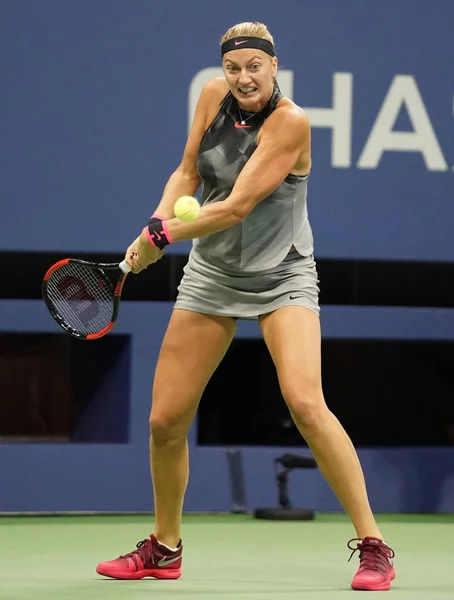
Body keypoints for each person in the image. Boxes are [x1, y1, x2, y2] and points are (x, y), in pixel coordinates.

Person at [96, 21, 396, 591]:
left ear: (274, 66)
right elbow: (188, 171)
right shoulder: (213, 97)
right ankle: (164, 547)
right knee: (164, 421)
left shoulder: (292, 124)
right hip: (212, 273)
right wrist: (156, 222)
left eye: (254, 66)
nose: (243, 78)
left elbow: (235, 207)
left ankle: (375, 546)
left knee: (306, 401)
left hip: (282, 274)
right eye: (234, 68)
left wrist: (162, 240)